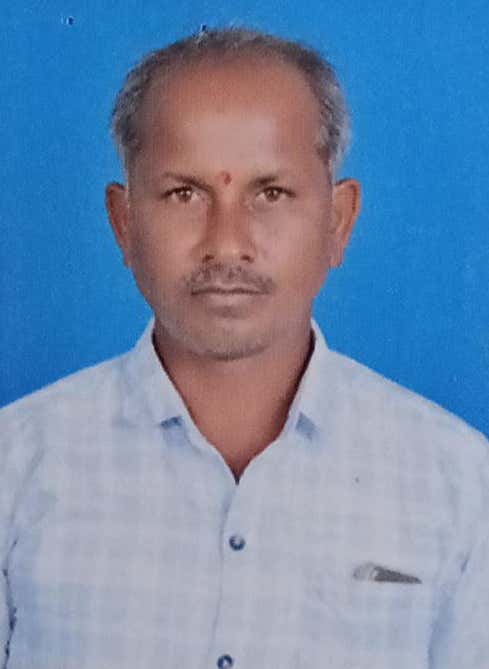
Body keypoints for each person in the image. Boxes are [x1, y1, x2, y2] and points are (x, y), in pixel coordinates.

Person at [0, 27, 488, 669]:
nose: (226, 243)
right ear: (124, 224)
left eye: (270, 194)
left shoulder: (461, 486)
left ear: (338, 221)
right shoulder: (16, 467)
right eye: (184, 193)